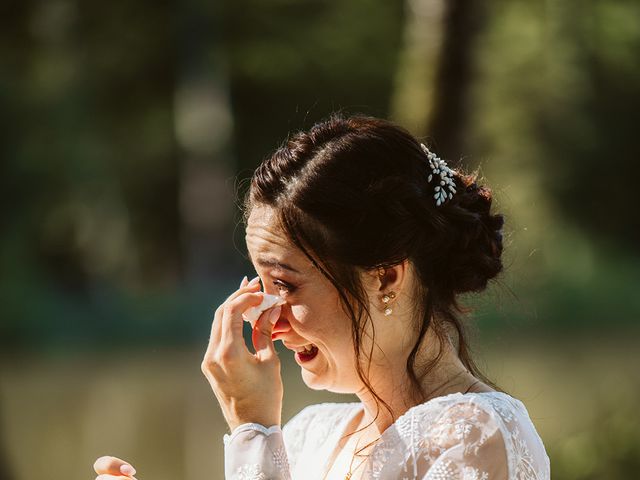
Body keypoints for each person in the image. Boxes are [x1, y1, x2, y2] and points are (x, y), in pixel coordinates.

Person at [93, 114, 551, 480]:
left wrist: (252, 429)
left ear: (386, 277)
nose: (268, 322)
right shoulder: (308, 435)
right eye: (262, 286)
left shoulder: (472, 434)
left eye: (286, 286)